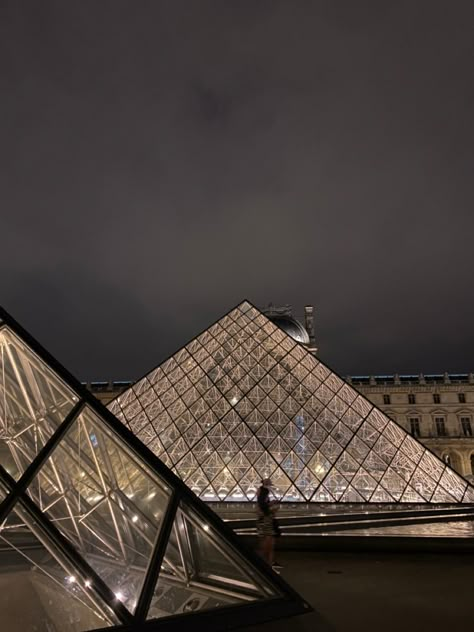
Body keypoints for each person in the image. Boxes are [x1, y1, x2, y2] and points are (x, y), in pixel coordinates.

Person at [256, 478, 282, 570]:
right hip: (266, 521)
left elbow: (261, 507)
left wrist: (270, 506)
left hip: (265, 521)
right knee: (268, 544)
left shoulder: (261, 493)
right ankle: (267, 563)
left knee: (268, 544)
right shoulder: (264, 493)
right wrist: (272, 506)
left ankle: (268, 563)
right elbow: (263, 507)